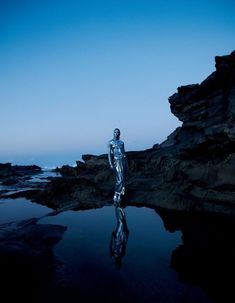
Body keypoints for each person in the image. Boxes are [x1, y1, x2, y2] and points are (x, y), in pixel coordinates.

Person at [107, 128, 128, 204]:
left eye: (118, 132)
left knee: (123, 178)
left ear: (119, 133)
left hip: (123, 161)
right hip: (116, 161)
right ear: (113, 133)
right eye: (115, 132)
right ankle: (116, 194)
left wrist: (126, 163)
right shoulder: (110, 142)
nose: (116, 133)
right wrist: (110, 163)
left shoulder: (122, 142)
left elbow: (124, 152)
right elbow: (109, 154)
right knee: (120, 179)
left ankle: (119, 195)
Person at [110, 205, 129, 270]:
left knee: (120, 222)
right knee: (123, 221)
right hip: (123, 237)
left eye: (116, 265)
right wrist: (127, 234)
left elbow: (111, 245)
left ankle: (117, 207)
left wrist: (112, 236)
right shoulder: (123, 254)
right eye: (118, 265)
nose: (117, 263)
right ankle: (121, 208)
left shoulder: (112, 255)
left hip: (117, 238)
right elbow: (125, 244)